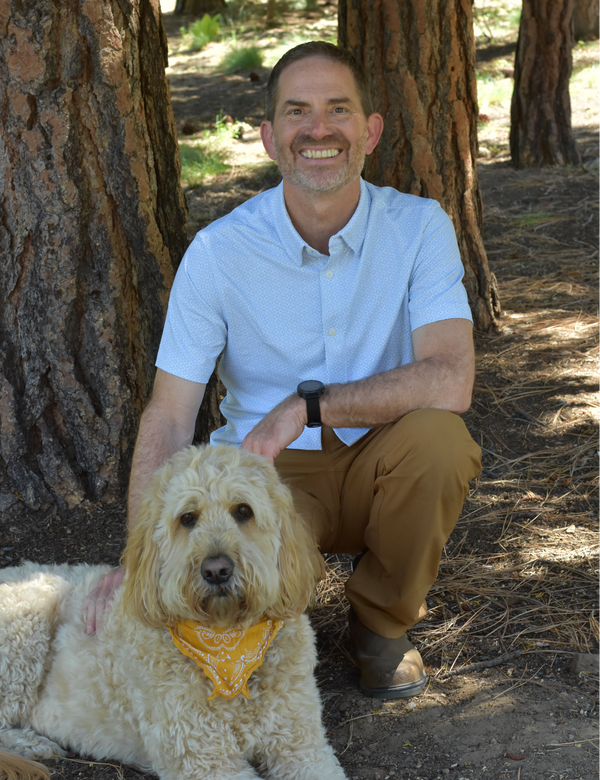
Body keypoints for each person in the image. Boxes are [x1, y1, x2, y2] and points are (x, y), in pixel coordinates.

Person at [83, 41, 481, 699]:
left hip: (388, 457)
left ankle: (379, 625)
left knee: (441, 441)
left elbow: (450, 378)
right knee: (232, 675)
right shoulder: (218, 252)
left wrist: (306, 406)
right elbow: (171, 414)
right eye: (297, 112)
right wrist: (139, 563)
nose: (318, 130)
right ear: (270, 137)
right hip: (268, 478)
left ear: (370, 131)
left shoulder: (419, 228)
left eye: (338, 110)